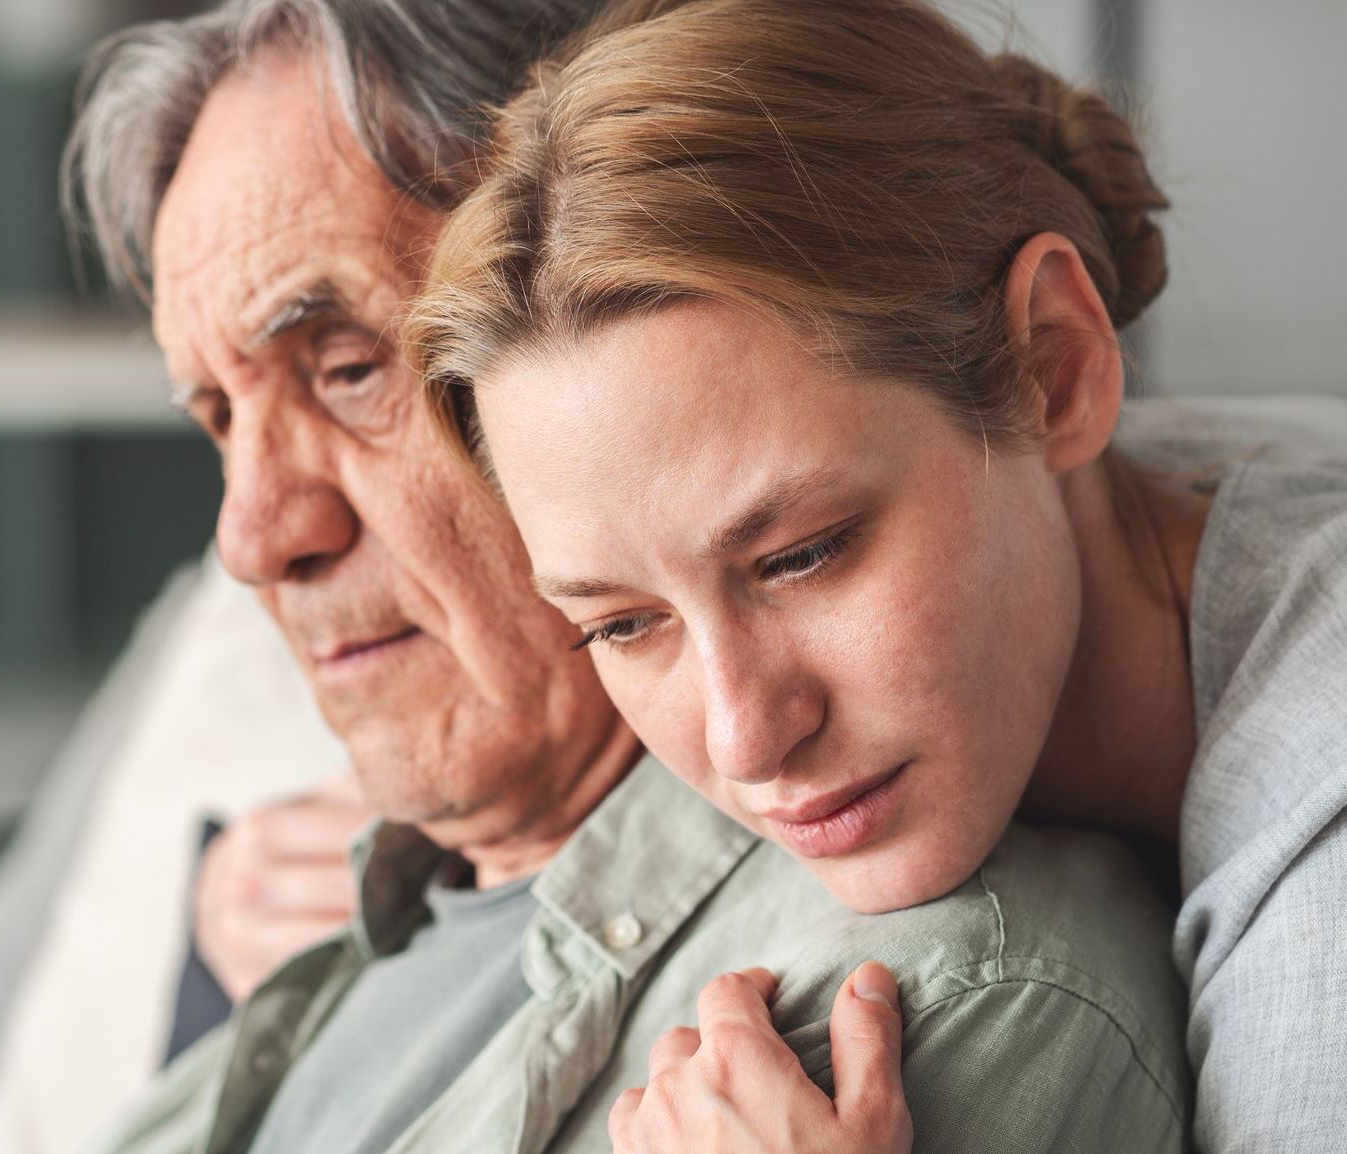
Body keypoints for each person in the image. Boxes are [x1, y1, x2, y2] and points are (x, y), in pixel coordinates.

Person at [408, 0, 1347, 1150]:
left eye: (800, 555)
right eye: (623, 625)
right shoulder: (1070, 487)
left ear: (1056, 367)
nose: (746, 736)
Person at [63, 1, 1190, 1152]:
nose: (249, 538)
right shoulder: (320, 888)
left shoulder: (902, 1005)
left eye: (350, 368)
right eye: (217, 414)